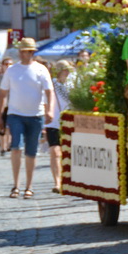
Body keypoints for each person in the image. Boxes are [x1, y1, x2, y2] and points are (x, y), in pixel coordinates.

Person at [0, 39, 54, 199]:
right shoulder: (12, 70)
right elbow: (2, 94)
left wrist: (49, 110)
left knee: (31, 151)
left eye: (27, 51)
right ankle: (16, 185)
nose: (23, 54)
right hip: (15, 114)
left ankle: (29, 186)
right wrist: (0, 116)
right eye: (21, 51)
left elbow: (49, 91)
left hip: (36, 115)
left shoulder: (41, 69)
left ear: (32, 52)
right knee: (16, 147)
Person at [45, 60, 74, 192]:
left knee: (68, 153)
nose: (67, 72)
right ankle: (58, 182)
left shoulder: (72, 85)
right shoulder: (51, 85)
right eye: (64, 70)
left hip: (70, 121)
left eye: (68, 70)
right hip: (54, 122)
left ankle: (69, 179)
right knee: (55, 152)